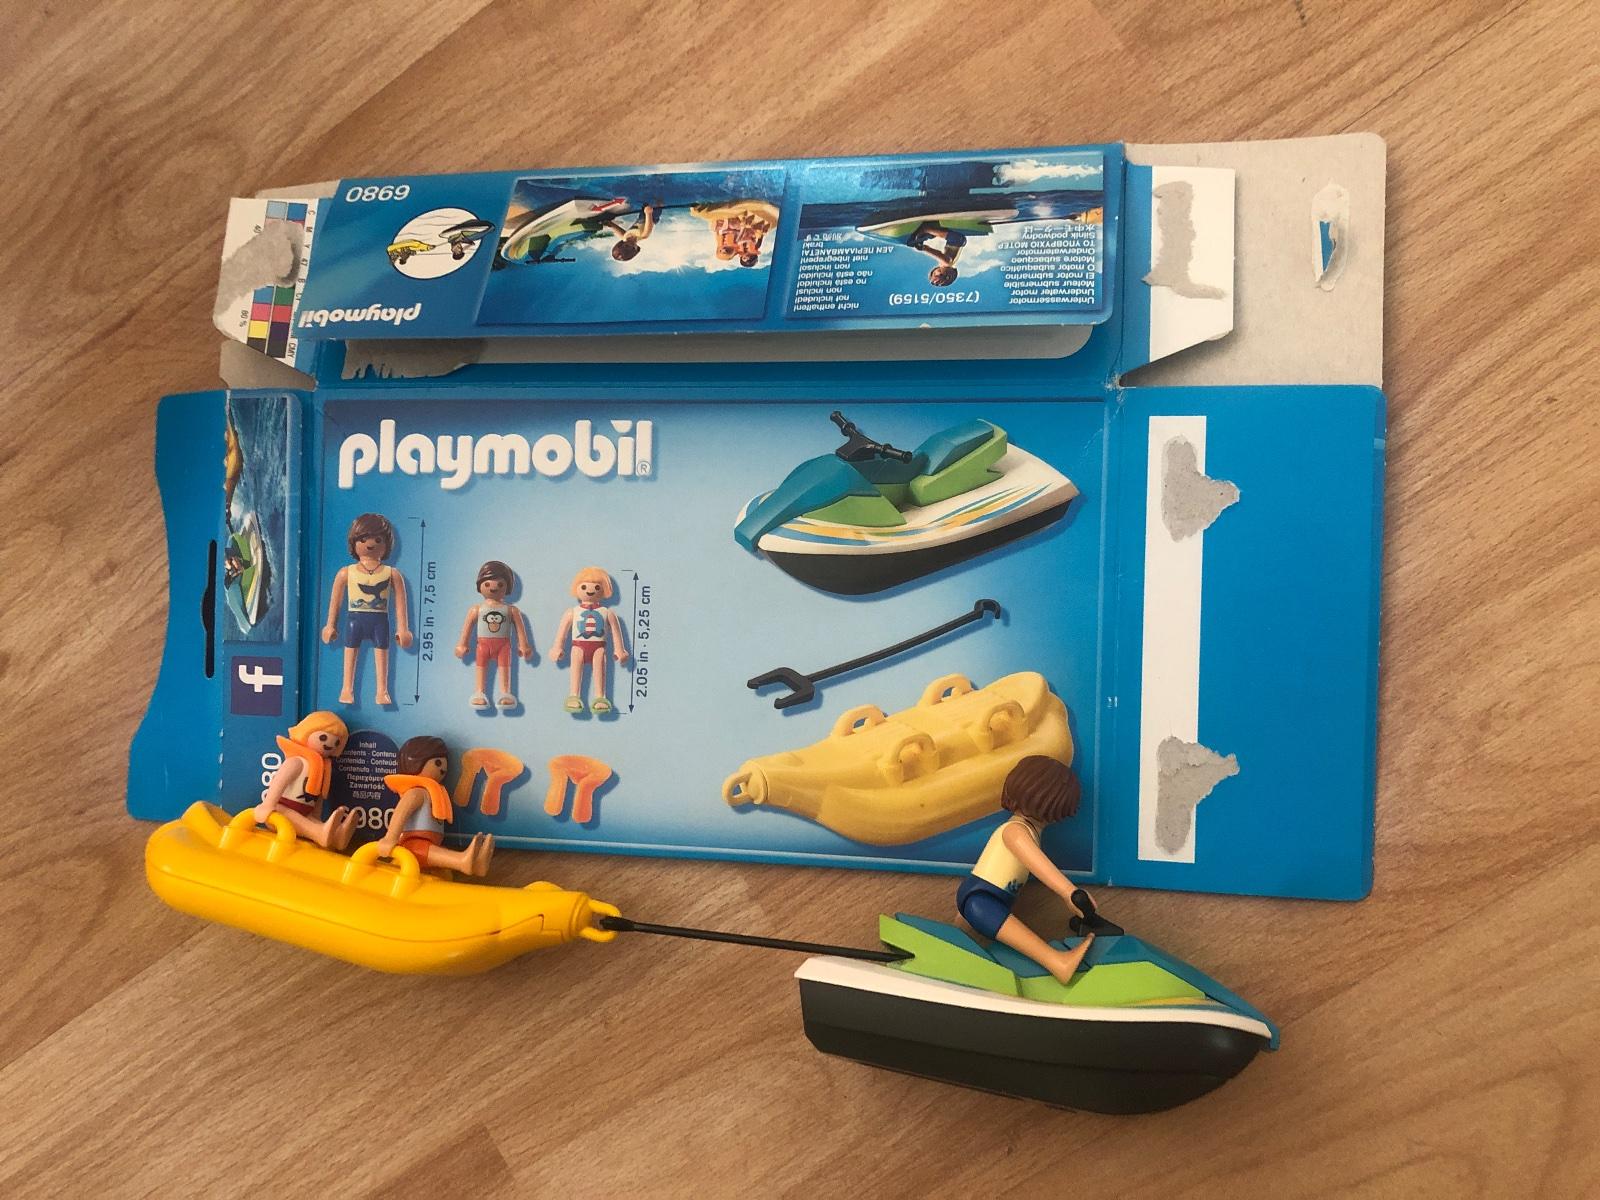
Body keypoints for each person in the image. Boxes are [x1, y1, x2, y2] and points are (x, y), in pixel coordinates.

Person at [957, 755, 1098, 984]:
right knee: (1019, 937)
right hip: (982, 899)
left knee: (963, 941)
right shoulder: (1015, 831)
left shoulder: (1027, 830)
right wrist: (1069, 892)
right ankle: (1057, 962)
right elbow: (1037, 862)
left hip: (991, 900)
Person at [322, 513, 412, 706]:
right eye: (363, 539)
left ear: (387, 544)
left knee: (382, 652)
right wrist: (330, 625)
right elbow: (335, 601)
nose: (370, 544)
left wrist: (403, 629)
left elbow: (400, 603)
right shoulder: (346, 572)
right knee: (350, 650)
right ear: (354, 542)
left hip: (380, 620)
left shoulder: (392, 574)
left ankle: (382, 691)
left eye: (378, 540)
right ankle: (347, 688)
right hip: (355, 618)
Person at [378, 736, 494, 876]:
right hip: (411, 845)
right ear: (415, 763)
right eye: (437, 763)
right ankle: (461, 861)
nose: (443, 768)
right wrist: (390, 838)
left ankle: (476, 865)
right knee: (418, 849)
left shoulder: (433, 792)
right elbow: (401, 813)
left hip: (431, 844)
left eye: (444, 763)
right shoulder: (416, 793)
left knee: (433, 855)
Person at [253, 711, 358, 850]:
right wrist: (268, 805)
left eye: (336, 743)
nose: (329, 745)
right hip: (279, 813)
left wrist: (316, 818)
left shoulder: (322, 769)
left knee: (310, 822)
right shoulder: (297, 762)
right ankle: (319, 833)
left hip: (305, 813)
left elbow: (318, 797)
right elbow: (279, 782)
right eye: (323, 738)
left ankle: (336, 837)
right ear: (306, 733)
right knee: (287, 814)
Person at [454, 560, 535, 708]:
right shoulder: (476, 610)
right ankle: (479, 692)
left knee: (505, 667)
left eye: (500, 584)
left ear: (507, 587)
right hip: (483, 645)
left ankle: (505, 693)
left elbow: (520, 629)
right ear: (480, 586)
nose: (493, 588)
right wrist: (462, 644)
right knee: (481, 667)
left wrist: (524, 645)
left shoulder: (511, 610)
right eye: (487, 584)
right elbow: (467, 628)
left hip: (503, 646)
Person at [550, 567, 629, 715]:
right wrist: (557, 647)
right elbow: (562, 632)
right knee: (576, 667)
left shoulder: (607, 613)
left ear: (604, 589)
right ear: (576, 588)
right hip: (578, 646)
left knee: (599, 667)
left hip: (599, 648)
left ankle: (600, 697)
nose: (590, 590)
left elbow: (616, 633)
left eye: (597, 587)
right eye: (584, 586)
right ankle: (574, 695)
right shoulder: (572, 612)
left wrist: (619, 649)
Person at [906, 222, 968, 287]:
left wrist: (922, 247)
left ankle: (929, 232)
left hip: (958, 240)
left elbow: (935, 253)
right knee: (927, 230)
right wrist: (923, 248)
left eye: (935, 274)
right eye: (941, 274)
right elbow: (937, 253)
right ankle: (926, 229)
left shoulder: (946, 265)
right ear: (947, 274)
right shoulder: (947, 263)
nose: (939, 272)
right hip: (957, 240)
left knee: (935, 234)